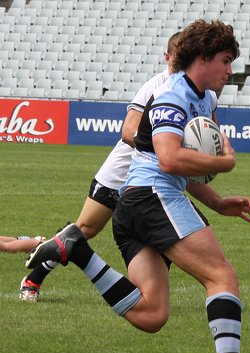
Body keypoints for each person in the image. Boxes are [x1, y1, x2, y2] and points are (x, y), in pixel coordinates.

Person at [25, 20, 250, 353]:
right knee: (221, 276)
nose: (230, 71)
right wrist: (224, 163)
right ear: (202, 58)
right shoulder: (173, 96)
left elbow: (177, 163)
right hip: (154, 196)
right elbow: (169, 159)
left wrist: (217, 202)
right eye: (226, 60)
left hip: (137, 201)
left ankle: (76, 249)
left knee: (151, 314)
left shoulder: (205, 99)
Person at [19, 32, 182, 302]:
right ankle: (34, 277)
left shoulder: (200, 92)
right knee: (84, 230)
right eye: (177, 54)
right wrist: (164, 146)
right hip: (121, 172)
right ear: (168, 57)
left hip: (157, 178)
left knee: (166, 235)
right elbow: (128, 131)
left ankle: (150, 293)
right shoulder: (157, 85)